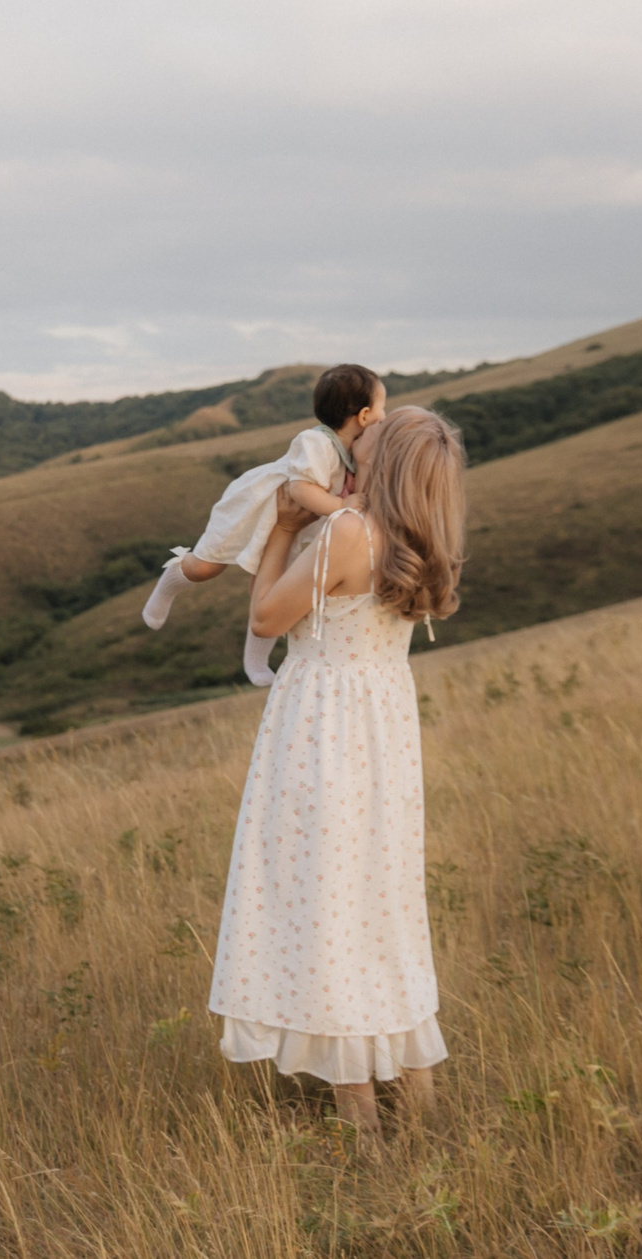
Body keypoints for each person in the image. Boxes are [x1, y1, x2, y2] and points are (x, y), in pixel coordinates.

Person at [205, 405, 468, 1144]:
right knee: (381, 907)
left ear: (382, 465)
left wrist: (287, 523)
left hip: (323, 731)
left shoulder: (350, 532)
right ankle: (420, 1107)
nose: (354, 442)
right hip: (383, 734)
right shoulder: (425, 538)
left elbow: (266, 618)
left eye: (369, 440)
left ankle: (363, 1126)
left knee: (325, 905)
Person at [141, 364, 388, 686]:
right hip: (254, 509)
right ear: (366, 414)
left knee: (271, 588)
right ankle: (172, 579)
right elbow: (301, 489)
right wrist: (341, 506)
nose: (386, 414)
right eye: (384, 406)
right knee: (206, 567)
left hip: (296, 527)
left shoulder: (355, 450)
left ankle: (255, 661)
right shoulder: (316, 442)